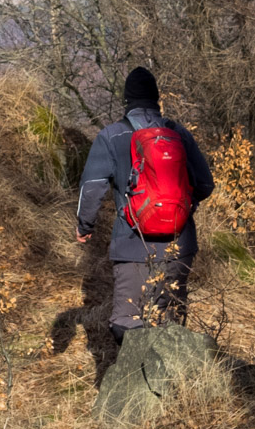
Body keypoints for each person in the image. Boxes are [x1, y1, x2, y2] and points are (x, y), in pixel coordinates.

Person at [75, 67, 215, 340]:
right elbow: (206, 185)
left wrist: (85, 225)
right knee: (170, 321)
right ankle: (171, 381)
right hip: (180, 243)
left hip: (131, 243)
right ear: (156, 99)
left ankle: (132, 379)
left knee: (128, 321)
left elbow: (91, 188)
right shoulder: (178, 133)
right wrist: (180, 207)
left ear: (126, 100)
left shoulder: (112, 135)